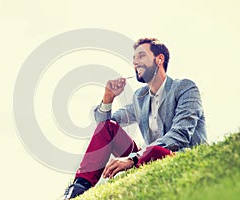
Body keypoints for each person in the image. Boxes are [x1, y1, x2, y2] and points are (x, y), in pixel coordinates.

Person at [63, 38, 207, 199]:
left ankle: (141, 157)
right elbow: (103, 126)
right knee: (108, 127)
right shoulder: (140, 97)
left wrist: (133, 158)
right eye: (134, 59)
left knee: (155, 150)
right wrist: (108, 97)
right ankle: (78, 189)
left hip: (175, 154)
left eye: (141, 56)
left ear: (159, 59)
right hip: (144, 158)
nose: (135, 63)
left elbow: (180, 134)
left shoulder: (185, 87)